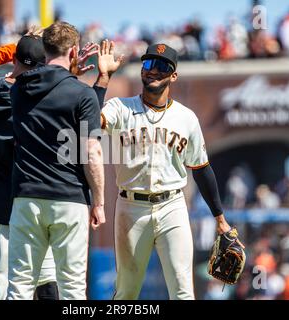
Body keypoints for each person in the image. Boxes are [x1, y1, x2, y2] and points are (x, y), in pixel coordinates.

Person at [100, 43, 240, 300]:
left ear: (173, 75)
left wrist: (220, 219)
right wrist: (104, 77)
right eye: (147, 64)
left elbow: (201, 169)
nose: (152, 71)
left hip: (172, 206)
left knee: (183, 291)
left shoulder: (186, 118)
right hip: (131, 207)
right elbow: (90, 120)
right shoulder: (120, 108)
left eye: (161, 66)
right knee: (126, 293)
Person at [0, 28, 73, 300]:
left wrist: (17, 45)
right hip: (11, 209)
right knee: (7, 288)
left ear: (14, 59)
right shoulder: (34, 102)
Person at [7, 22, 116, 300]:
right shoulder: (81, 93)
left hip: (26, 196)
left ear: (44, 49)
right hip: (68, 197)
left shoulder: (18, 89)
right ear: (75, 51)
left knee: (19, 286)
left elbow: (38, 79)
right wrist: (99, 202)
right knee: (72, 290)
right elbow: (90, 151)